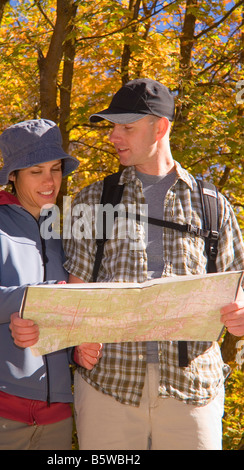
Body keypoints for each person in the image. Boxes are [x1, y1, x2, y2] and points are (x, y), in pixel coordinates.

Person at [62, 78, 244, 450]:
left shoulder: (213, 205)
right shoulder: (93, 199)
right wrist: (79, 338)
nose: (114, 136)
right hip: (107, 387)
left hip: (194, 389)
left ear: (160, 127)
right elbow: (75, 288)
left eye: (126, 127)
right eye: (112, 127)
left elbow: (237, 286)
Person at [0, 119, 102, 450]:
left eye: (56, 169)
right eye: (36, 171)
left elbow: (68, 314)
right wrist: (46, 298)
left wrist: (79, 347)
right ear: (13, 176)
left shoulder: (62, 234)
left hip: (56, 418)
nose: (50, 181)